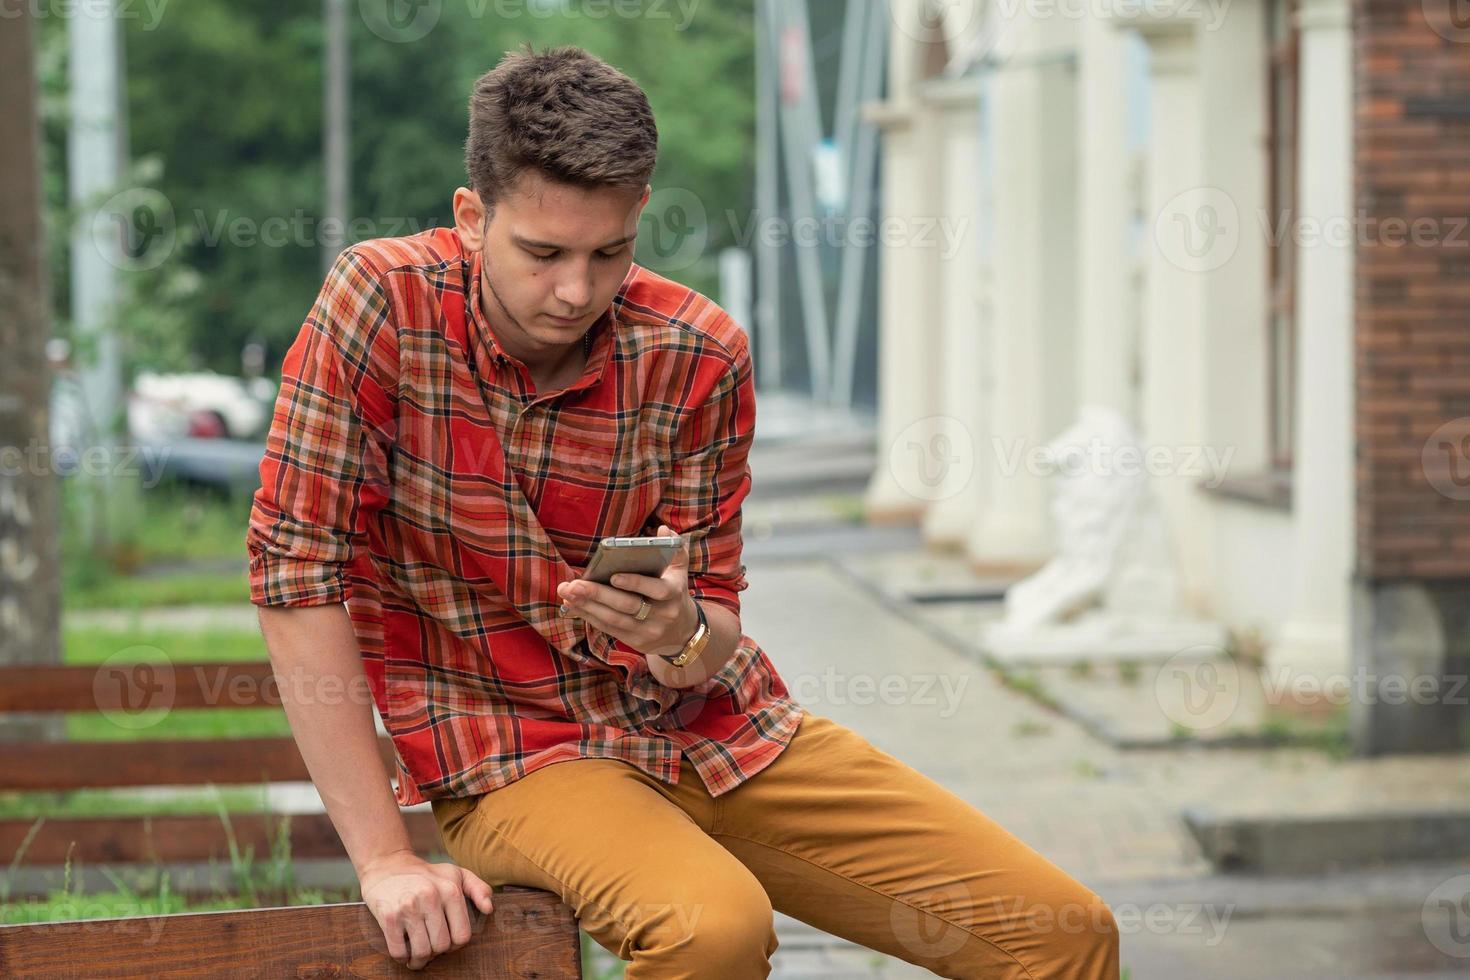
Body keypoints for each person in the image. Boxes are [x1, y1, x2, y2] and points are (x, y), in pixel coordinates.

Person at [247, 43, 1120, 978]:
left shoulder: (699, 354)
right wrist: (385, 859)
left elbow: (713, 631)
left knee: (1063, 935)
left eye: (608, 253)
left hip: (719, 735)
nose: (577, 290)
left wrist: (679, 632)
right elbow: (295, 576)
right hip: (515, 754)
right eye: (542, 254)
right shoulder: (381, 305)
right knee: (711, 928)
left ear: (639, 221)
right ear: (472, 217)